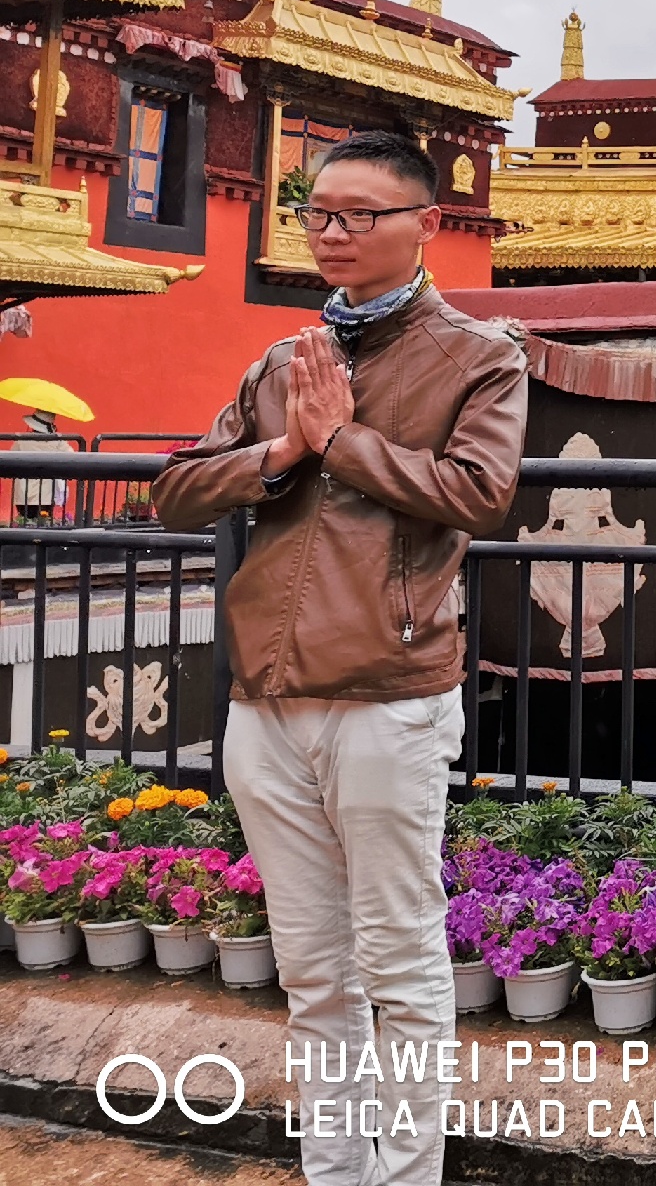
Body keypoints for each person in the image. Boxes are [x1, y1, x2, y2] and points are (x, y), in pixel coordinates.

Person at [156, 131, 526, 1186]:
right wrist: (280, 451)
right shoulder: (281, 363)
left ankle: (404, 1179)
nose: (333, 232)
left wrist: (341, 441)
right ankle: (336, 1173)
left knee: (402, 962)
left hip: (388, 696)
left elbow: (479, 495)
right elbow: (175, 489)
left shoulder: (479, 355)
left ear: (426, 226)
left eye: (361, 214)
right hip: (264, 700)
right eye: (319, 211)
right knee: (312, 971)